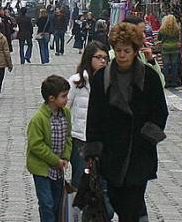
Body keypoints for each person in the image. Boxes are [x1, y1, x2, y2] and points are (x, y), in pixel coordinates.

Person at [84, 23, 168, 222]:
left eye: (127, 51)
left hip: (138, 153)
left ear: (135, 50)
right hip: (111, 153)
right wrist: (93, 149)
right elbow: (93, 116)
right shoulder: (101, 79)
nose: (122, 55)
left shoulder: (149, 77)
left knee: (132, 205)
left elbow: (160, 112)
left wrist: (147, 138)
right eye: (118, 50)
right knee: (115, 199)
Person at [67, 41, 112, 222]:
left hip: (103, 141)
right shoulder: (77, 82)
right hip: (80, 139)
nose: (102, 61)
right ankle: (77, 216)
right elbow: (65, 108)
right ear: (89, 58)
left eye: (105, 58)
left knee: (103, 183)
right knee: (80, 181)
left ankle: (101, 215)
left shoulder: (110, 81)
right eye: (98, 57)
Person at [27, 75, 73, 222]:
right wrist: (55, 160)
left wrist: (65, 157)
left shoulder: (66, 114)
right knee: (46, 203)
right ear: (51, 98)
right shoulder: (38, 119)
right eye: (64, 96)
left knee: (58, 202)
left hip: (58, 168)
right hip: (42, 168)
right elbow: (36, 145)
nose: (66, 99)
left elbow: (68, 137)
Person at [157, 15, 182, 88]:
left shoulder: (162, 29)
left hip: (165, 48)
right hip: (175, 48)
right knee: (174, 65)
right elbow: (178, 38)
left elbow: (159, 38)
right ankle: (174, 82)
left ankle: (166, 82)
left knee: (166, 65)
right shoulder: (177, 29)